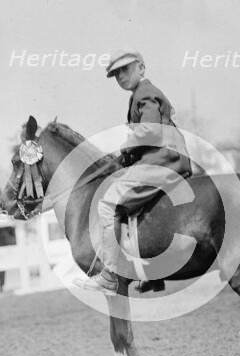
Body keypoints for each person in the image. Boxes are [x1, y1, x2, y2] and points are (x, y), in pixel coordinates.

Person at [74, 49, 192, 293]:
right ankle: (152, 271)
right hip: (161, 158)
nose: (121, 76)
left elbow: (149, 130)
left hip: (163, 160)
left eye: (125, 69)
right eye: (116, 74)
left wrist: (126, 145)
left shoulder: (145, 92)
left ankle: (109, 274)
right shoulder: (139, 94)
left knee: (108, 204)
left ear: (141, 68)